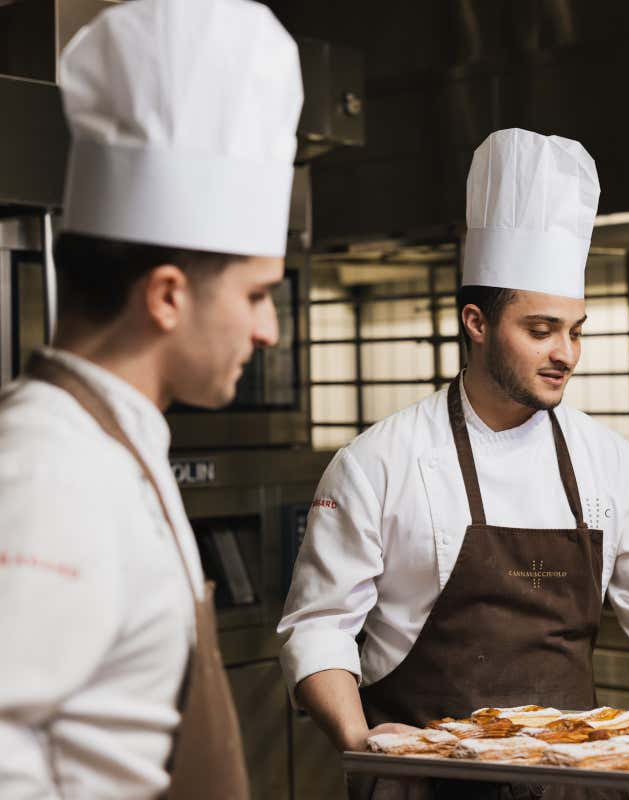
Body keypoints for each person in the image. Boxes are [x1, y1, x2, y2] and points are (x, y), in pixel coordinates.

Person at [279, 128, 629, 798]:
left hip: (569, 788)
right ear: (475, 322)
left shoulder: (611, 465)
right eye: (540, 330)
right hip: (422, 785)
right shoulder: (378, 463)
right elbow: (320, 629)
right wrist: (360, 742)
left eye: (576, 331)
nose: (567, 354)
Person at [0, 1, 303, 797]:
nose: (268, 330)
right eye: (257, 294)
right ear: (167, 296)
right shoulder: (49, 471)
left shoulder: (118, 446)